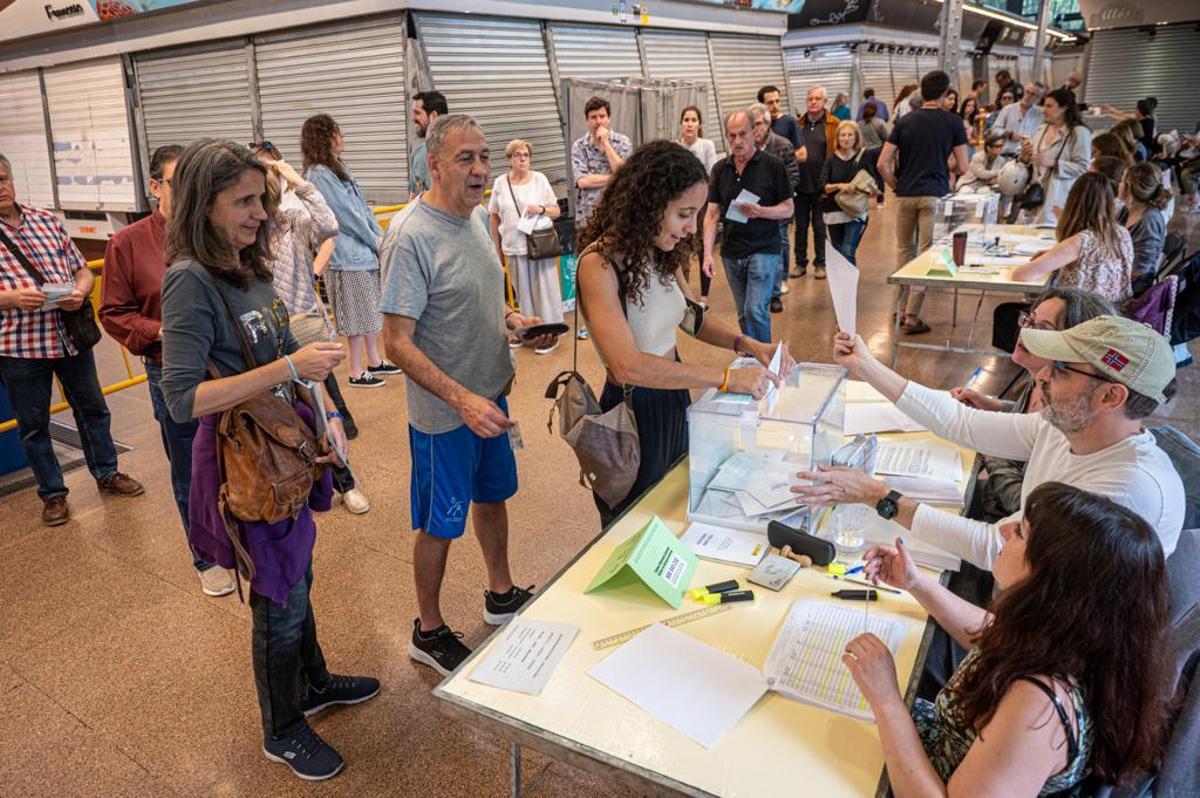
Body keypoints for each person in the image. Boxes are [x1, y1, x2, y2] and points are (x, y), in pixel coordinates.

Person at [159, 140, 378, 781]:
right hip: (246, 460)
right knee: (277, 596)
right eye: (245, 201)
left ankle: (312, 683)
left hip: (284, 444)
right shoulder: (190, 281)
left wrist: (327, 415)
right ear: (206, 204)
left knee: (296, 574)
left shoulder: (248, 269)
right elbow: (181, 400)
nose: (262, 212)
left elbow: (287, 356)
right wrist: (288, 368)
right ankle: (281, 729)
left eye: (262, 198)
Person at [846, 482, 1171, 797]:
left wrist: (887, 701)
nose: (1003, 530)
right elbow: (993, 634)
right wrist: (916, 583)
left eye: (1020, 532)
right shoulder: (1072, 639)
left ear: (1050, 579)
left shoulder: (1038, 706)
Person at [791, 315, 1185, 570]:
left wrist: (880, 497)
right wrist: (865, 364)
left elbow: (995, 548)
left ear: (1110, 397)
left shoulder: (1125, 492)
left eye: (1062, 369)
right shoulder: (1064, 425)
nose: (1042, 375)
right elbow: (962, 422)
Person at [380, 115, 555, 676]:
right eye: (466, 159)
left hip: (490, 399)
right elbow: (396, 344)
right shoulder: (410, 237)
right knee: (439, 521)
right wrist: (461, 400)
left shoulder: (477, 217)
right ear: (434, 165)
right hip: (445, 415)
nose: (481, 169)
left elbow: (476, 298)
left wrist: (512, 319)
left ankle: (499, 593)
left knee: (493, 494)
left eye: (484, 157)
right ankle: (427, 630)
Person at [576, 140, 792, 525]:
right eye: (683, 215)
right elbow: (627, 366)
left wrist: (747, 343)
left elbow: (691, 317)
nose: (692, 229)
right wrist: (727, 378)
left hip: (672, 399)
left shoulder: (661, 251)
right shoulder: (600, 265)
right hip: (633, 413)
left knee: (674, 509)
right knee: (634, 522)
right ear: (649, 204)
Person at [100, 144, 232, 593]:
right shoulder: (129, 243)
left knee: (235, 456)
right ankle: (204, 557)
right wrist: (159, 331)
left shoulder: (214, 231)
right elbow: (115, 313)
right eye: (181, 182)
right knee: (191, 467)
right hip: (173, 371)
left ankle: (238, 540)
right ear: (156, 186)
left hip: (228, 368)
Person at [0, 154, 144, 527]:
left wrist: (81, 291)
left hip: (68, 336)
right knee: (33, 424)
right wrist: (12, 299)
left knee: (93, 407)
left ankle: (107, 471)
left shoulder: (46, 220)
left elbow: (81, 269)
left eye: (3, 178)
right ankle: (53, 494)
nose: (0, 187)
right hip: (20, 346)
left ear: (12, 180)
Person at [253, 145, 371, 516]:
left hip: (301, 324)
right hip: (264, 337)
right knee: (279, 417)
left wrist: (297, 180)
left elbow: (330, 225)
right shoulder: (244, 235)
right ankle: (295, 487)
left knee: (323, 408)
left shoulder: (293, 218)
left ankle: (346, 481)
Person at [951, 287, 1118, 521]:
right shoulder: (1036, 381)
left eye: (1041, 329)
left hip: (1004, 523)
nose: (1025, 332)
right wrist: (993, 406)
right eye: (1028, 320)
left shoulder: (1069, 414)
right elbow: (1028, 420)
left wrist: (989, 450)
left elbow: (1022, 504)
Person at [301, 113, 400, 388]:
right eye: (337, 132)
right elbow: (345, 215)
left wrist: (378, 238)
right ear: (325, 137)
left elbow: (360, 208)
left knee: (368, 311)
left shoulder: (335, 168)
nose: (342, 137)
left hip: (362, 252)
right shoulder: (319, 174)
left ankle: (374, 360)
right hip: (346, 257)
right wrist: (374, 240)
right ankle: (356, 372)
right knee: (354, 316)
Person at [877, 70, 969, 335]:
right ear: (944, 94)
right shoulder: (953, 122)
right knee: (927, 254)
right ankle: (912, 315)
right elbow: (963, 165)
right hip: (934, 195)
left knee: (904, 252)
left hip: (905, 195)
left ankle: (898, 308)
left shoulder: (905, 121)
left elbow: (882, 162)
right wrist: (943, 164)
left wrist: (896, 185)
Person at [703, 112, 794, 345]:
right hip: (732, 252)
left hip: (764, 248)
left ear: (755, 132)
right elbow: (712, 214)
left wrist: (761, 211)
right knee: (744, 314)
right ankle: (751, 357)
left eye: (742, 134)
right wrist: (706, 254)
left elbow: (788, 208)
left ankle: (765, 362)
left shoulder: (772, 165)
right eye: (731, 136)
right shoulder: (720, 169)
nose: (737, 141)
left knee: (755, 310)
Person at [488, 138, 563, 354]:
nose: (522, 158)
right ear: (509, 159)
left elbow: (556, 210)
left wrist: (540, 208)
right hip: (513, 247)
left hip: (539, 246)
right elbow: (494, 217)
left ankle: (551, 333)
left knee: (545, 291)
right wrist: (497, 248)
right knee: (523, 293)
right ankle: (527, 331)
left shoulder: (539, 179)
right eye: (517, 155)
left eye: (526, 155)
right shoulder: (501, 183)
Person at [1012, 173, 1132, 302]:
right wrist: (1054, 254)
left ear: (1073, 200)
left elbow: (1021, 274)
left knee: (1004, 312)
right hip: (1115, 313)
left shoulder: (1079, 242)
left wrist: (1056, 253)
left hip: (1082, 316)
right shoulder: (1122, 233)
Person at [572, 96, 632, 341]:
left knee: (620, 266)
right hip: (588, 218)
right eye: (593, 117)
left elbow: (626, 174)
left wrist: (607, 145)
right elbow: (582, 181)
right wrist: (615, 176)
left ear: (609, 117)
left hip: (618, 217)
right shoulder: (579, 146)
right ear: (586, 120)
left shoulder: (622, 142)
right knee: (589, 270)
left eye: (602, 116)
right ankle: (590, 322)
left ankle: (623, 316)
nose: (598, 121)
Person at [749, 103, 800, 312]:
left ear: (768, 124)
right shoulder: (747, 147)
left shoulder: (783, 145)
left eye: (759, 123)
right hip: (754, 211)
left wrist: (772, 194)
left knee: (778, 250)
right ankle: (762, 292)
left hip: (777, 210)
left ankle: (776, 293)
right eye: (752, 124)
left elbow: (794, 177)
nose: (756, 128)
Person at [1018, 88, 1092, 227]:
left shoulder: (1079, 132)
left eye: (1049, 106)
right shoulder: (1042, 129)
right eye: (1044, 105)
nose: (1043, 110)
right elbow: (1035, 162)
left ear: (1064, 108)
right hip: (1035, 195)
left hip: (1059, 196)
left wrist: (1054, 163)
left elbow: (1083, 167)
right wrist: (1025, 156)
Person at [758, 85, 806, 288]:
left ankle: (782, 279)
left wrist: (776, 176)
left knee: (782, 239)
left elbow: (801, 155)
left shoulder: (788, 125)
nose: (775, 105)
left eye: (778, 101)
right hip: (760, 202)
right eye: (770, 102)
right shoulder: (754, 131)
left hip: (780, 198)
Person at [793, 85, 840, 281]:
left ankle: (821, 263)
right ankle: (800, 263)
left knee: (820, 227)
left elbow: (838, 154)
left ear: (825, 102)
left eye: (817, 99)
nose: (813, 102)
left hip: (822, 186)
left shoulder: (834, 124)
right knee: (800, 227)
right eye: (810, 98)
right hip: (800, 186)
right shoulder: (797, 125)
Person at [678, 105, 719, 308]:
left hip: (702, 205)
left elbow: (712, 174)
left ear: (699, 124)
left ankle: (704, 297)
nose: (690, 123)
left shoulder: (707, 145)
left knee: (704, 248)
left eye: (694, 120)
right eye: (686, 119)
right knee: (680, 248)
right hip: (681, 207)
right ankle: (683, 295)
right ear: (681, 123)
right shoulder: (676, 147)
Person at [819, 120, 871, 266]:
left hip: (855, 211)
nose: (846, 138)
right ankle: (841, 284)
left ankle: (848, 286)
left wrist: (857, 187)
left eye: (850, 135)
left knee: (848, 250)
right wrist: (839, 186)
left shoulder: (863, 157)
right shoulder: (830, 160)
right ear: (837, 138)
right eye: (843, 135)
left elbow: (872, 184)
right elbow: (822, 186)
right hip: (833, 212)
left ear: (856, 138)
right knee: (838, 250)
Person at [1118, 162, 1171, 294]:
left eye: (1122, 180)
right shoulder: (1126, 210)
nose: (1119, 184)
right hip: (1120, 273)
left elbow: (1140, 270)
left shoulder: (1149, 221)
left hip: (1133, 286)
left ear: (1130, 188)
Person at [409, 90, 447, 198]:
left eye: (417, 113)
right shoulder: (417, 154)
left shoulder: (455, 153)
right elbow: (413, 198)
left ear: (433, 116)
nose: (413, 118)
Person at [992, 82, 1045, 157]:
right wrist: (1009, 134)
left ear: (1038, 99)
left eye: (1032, 94)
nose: (1028, 96)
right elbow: (994, 130)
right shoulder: (1008, 109)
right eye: (1027, 92)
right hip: (1007, 154)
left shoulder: (1040, 114)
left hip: (1028, 156)